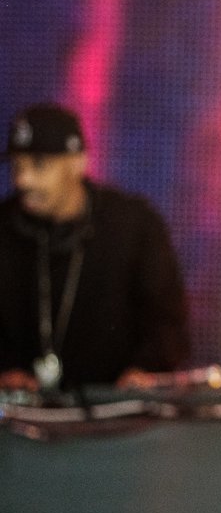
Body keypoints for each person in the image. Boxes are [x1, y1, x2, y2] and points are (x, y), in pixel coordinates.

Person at [0, 103, 189, 392]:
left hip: (117, 410)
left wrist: (145, 370)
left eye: (39, 165)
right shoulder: (4, 225)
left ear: (78, 162)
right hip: (22, 411)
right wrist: (5, 370)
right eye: (17, 166)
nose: (23, 180)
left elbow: (167, 319)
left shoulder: (134, 225)